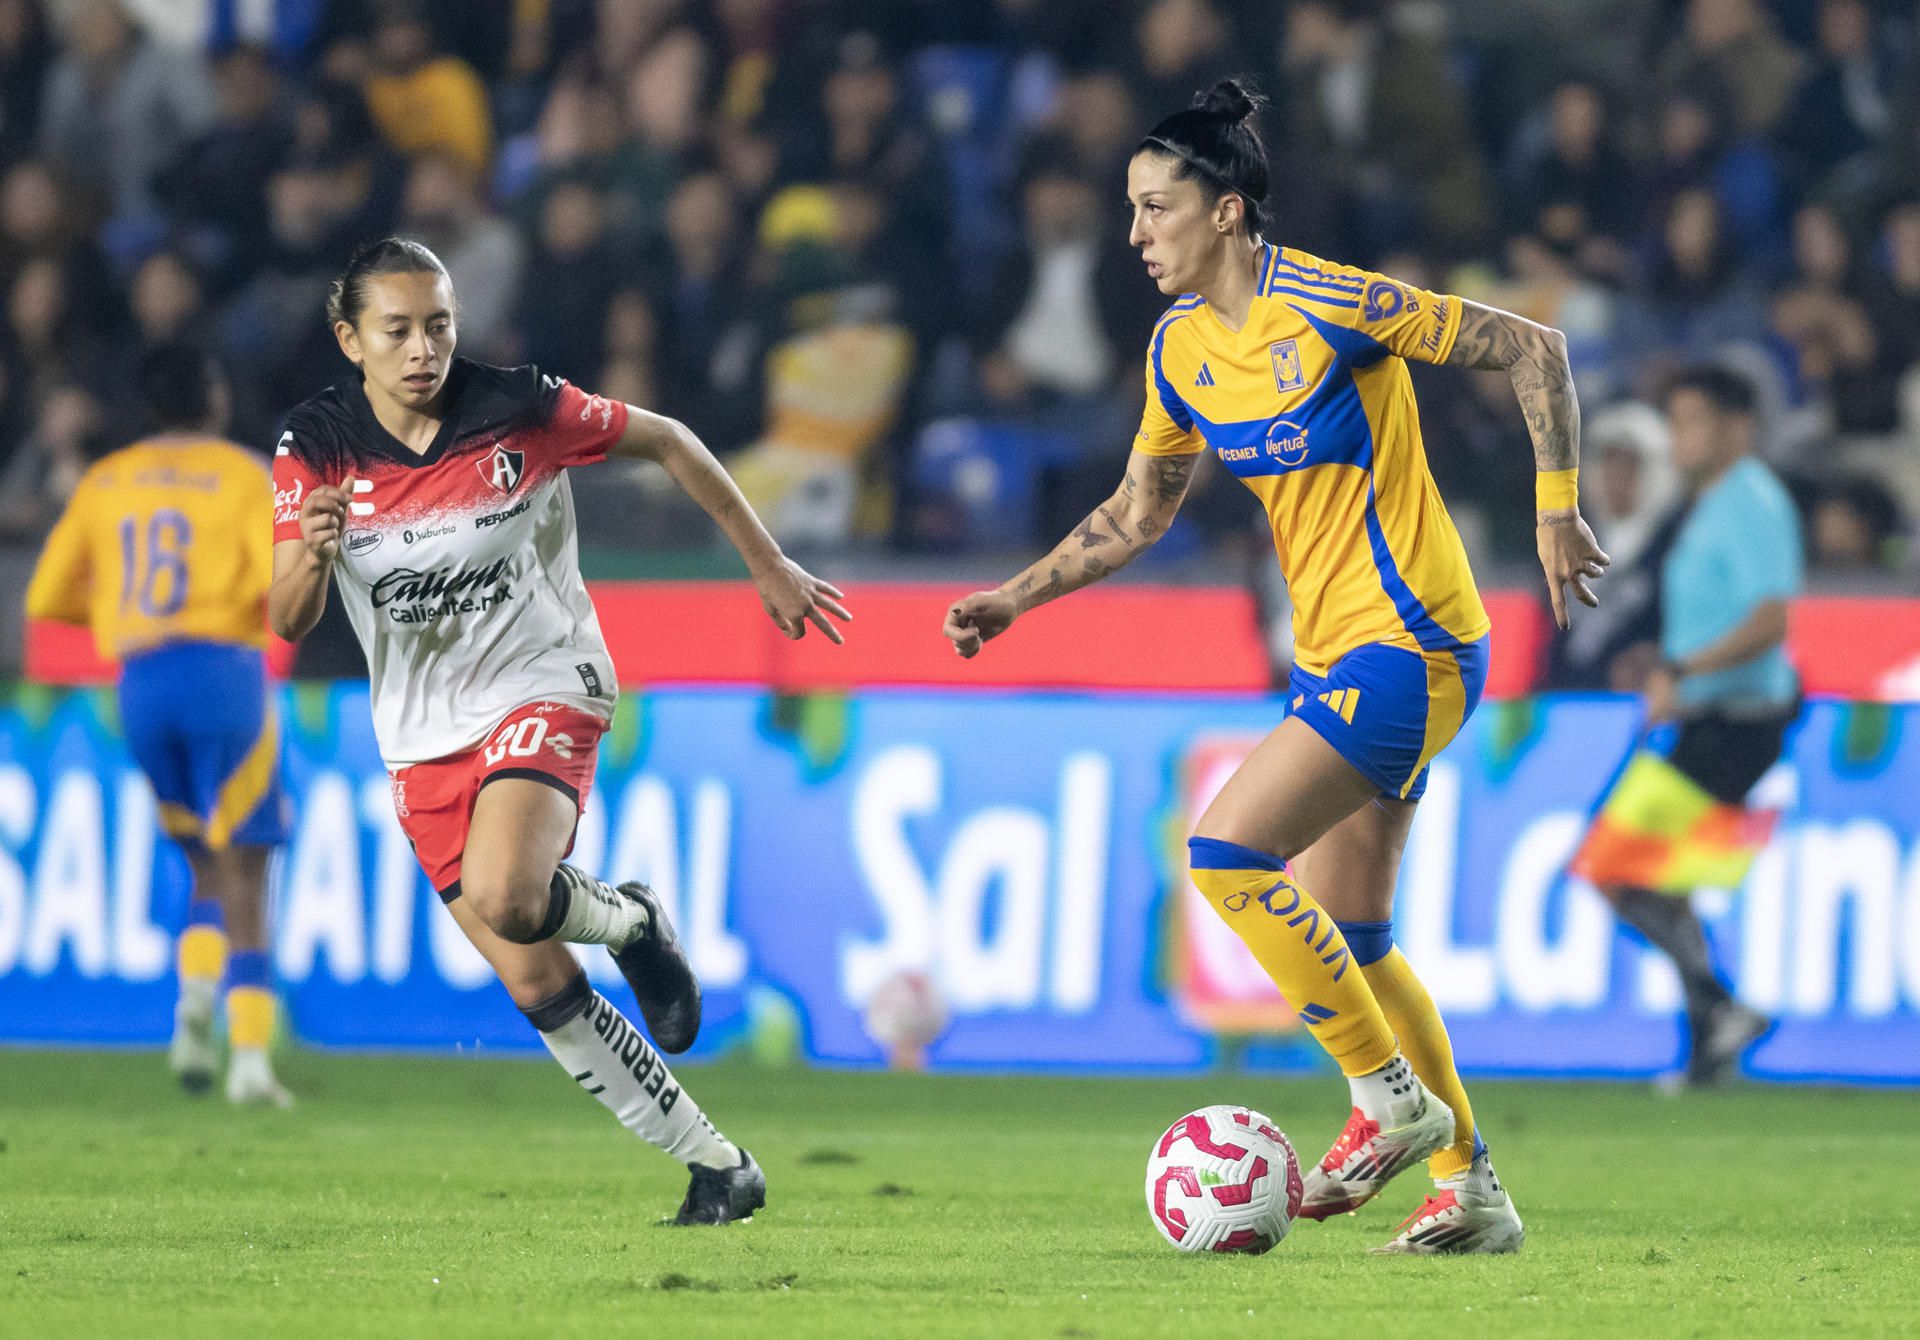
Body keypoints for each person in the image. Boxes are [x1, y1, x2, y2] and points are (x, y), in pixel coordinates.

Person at [942, 80, 1609, 1255]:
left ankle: (1385, 1101)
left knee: (1224, 850)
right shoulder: (1182, 351)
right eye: (1133, 211)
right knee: (1353, 929)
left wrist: (1557, 505)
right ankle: (1472, 1184)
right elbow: (1137, 511)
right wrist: (1016, 596)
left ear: (1232, 211)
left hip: (1413, 642)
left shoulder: (1334, 305)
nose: (1137, 235)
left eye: (1158, 209)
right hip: (1337, 655)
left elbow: (1530, 346)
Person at [268, 237, 849, 1225]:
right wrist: (311, 555)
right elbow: (285, 620)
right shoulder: (315, 446)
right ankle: (718, 1163)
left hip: (548, 677)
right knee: (534, 974)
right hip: (421, 735)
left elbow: (670, 439)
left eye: (439, 325)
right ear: (349, 338)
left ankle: (630, 923)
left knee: (507, 890)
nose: (423, 349)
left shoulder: (519, 405)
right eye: (397, 330)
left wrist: (768, 562)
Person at [24, 343, 293, 1105]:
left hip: (140, 682)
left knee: (201, 862)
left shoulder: (108, 479)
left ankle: (191, 1014)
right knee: (248, 865)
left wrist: (118, 609)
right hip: (223, 675)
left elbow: (47, 597)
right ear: (212, 397)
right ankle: (247, 1061)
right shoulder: (245, 474)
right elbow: (281, 587)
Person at [1597, 366, 1801, 1086]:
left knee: (1618, 871)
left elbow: (1769, 622)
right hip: (1712, 713)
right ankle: (1710, 1048)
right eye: (1677, 421)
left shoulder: (1751, 502)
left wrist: (1682, 672)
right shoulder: (1709, 505)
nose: (1679, 437)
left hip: (1737, 719)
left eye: (1695, 421)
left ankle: (1722, 1007)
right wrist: (1665, 662)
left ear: (1737, 426)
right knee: (1664, 883)